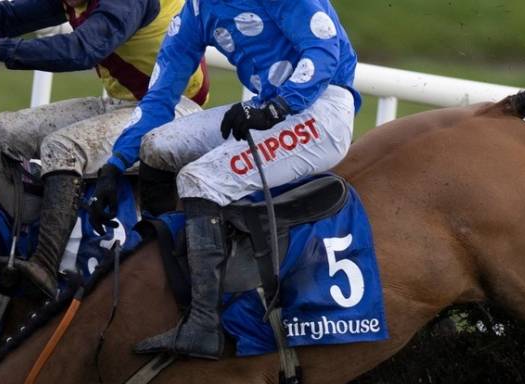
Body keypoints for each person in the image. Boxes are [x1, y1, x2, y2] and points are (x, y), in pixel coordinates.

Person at [88, 0, 359, 359]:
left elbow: (323, 49)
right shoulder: (195, 12)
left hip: (321, 109)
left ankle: (204, 324)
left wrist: (276, 107)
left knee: (199, 179)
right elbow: (159, 98)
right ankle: (167, 280)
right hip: (269, 108)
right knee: (156, 146)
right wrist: (116, 163)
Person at [0, 0, 210, 299]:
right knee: (6, 131)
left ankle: (45, 267)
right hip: (125, 103)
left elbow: (82, 49)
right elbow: (12, 15)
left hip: (173, 111)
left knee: (62, 146)